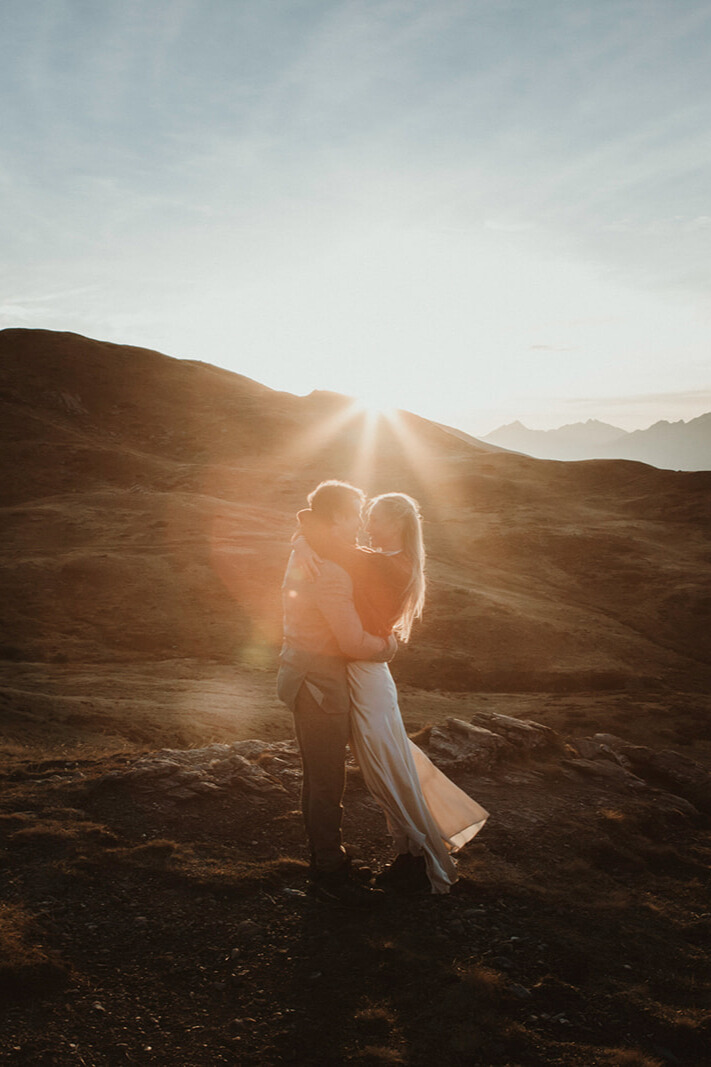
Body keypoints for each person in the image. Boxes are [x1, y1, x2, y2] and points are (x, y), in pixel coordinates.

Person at [293, 491, 489, 894]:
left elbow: (318, 531)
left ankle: (419, 855)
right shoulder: (394, 560)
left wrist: (301, 541)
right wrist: (300, 542)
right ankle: (413, 851)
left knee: (389, 767)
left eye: (376, 519)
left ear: (398, 522)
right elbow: (318, 532)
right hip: (368, 673)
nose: (367, 526)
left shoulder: (381, 564)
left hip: (366, 674)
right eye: (366, 517)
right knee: (391, 763)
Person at [276, 480, 396, 907]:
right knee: (327, 780)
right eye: (356, 513)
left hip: (299, 676)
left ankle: (324, 858)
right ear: (340, 516)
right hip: (319, 685)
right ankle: (329, 867)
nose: (361, 523)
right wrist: (388, 646)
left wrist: (301, 540)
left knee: (317, 775)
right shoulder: (325, 564)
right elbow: (349, 643)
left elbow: (311, 536)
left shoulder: (310, 548)